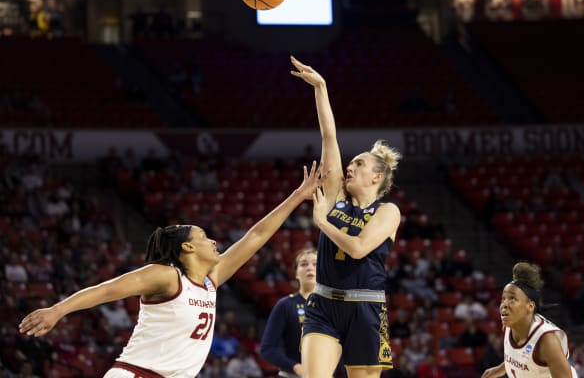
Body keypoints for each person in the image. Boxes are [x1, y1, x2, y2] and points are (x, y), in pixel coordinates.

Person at [18, 161, 324, 378]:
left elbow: (256, 236)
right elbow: (108, 289)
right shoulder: (166, 275)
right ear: (187, 248)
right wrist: (58, 310)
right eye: (205, 237)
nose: (215, 241)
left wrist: (297, 196)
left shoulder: (210, 280)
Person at [290, 56, 402, 378]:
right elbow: (329, 136)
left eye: (359, 164)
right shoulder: (338, 195)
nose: (349, 167)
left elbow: (358, 249)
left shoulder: (388, 211)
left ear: (377, 177)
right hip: (323, 304)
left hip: (366, 307)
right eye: (349, 163)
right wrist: (321, 88)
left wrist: (323, 222)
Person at [481, 262, 577, 378]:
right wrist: (498, 370)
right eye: (503, 299)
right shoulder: (510, 325)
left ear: (530, 306)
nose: (504, 305)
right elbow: (520, 357)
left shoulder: (546, 341)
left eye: (512, 299)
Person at [260, 248, 317, 377]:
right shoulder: (285, 305)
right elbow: (267, 349)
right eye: (303, 264)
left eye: (315, 264)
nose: (310, 268)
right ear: (296, 273)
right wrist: (295, 367)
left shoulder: (333, 306)